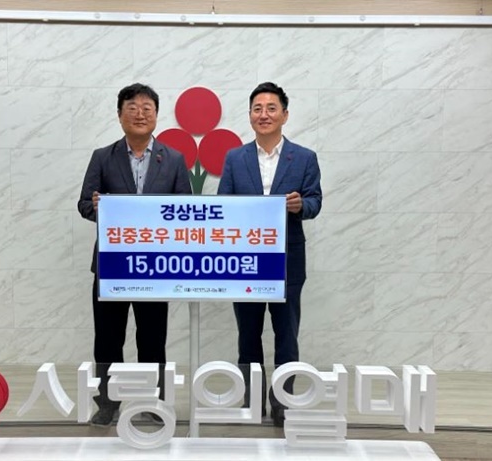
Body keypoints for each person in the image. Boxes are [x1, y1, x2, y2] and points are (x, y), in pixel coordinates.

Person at [77, 83, 192, 426]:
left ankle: (153, 402)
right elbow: (84, 204)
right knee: (107, 338)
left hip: (155, 266)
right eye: (132, 107)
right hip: (112, 265)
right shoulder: (103, 156)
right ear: (119, 115)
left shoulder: (174, 159)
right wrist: (98, 207)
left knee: (152, 338)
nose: (140, 114)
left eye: (147, 108)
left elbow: (184, 209)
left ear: (156, 115)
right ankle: (107, 403)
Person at [217, 82, 322, 427]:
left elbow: (315, 202)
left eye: (271, 108)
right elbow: (223, 205)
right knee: (247, 336)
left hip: (287, 261)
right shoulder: (235, 158)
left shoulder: (304, 157)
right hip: (245, 261)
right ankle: (252, 401)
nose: (264, 114)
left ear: (285, 115)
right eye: (257, 108)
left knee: (286, 336)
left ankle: (283, 402)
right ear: (250, 115)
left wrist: (300, 205)